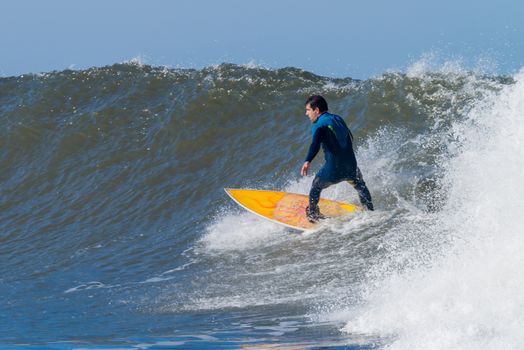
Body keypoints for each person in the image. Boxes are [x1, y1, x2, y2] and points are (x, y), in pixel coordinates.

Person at [301, 95, 373, 222]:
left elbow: (315, 144)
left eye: (308, 110)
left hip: (333, 170)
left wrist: (308, 160)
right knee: (361, 186)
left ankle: (312, 214)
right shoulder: (338, 119)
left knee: (316, 186)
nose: (306, 114)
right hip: (351, 166)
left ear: (316, 110)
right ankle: (370, 211)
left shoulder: (319, 124)